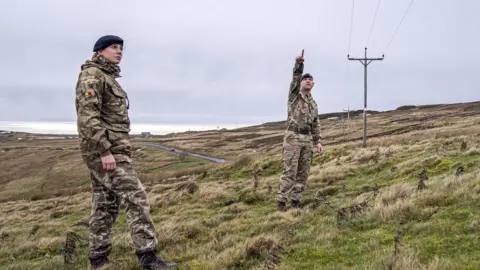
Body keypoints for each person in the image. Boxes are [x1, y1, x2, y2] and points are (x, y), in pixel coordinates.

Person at [75, 35, 178, 269]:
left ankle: (98, 259)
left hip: (112, 150)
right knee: (136, 196)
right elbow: (88, 118)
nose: (119, 51)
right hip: (106, 152)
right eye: (114, 47)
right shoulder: (92, 76)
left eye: (121, 48)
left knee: (105, 203)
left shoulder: (107, 77)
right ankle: (148, 256)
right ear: (100, 51)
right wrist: (105, 151)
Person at [276, 51, 324, 212]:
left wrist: (318, 141)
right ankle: (281, 203)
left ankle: (296, 201)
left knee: (303, 172)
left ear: (313, 84)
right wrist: (299, 66)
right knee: (290, 170)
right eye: (306, 79)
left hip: (307, 139)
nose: (308, 81)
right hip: (293, 137)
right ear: (301, 83)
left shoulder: (314, 104)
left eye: (311, 80)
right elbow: (295, 79)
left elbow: (316, 123)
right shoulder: (294, 96)